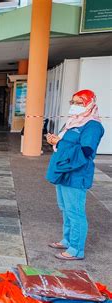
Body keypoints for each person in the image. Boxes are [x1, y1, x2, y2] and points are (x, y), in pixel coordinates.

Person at [45, 89, 104, 260]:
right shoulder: (74, 122)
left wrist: (60, 143)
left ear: (89, 104)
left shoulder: (92, 125)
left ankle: (76, 249)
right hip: (64, 170)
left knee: (75, 211)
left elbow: (86, 151)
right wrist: (56, 141)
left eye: (79, 103)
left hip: (77, 174)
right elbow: (68, 143)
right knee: (65, 209)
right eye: (73, 102)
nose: (74, 106)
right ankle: (67, 240)